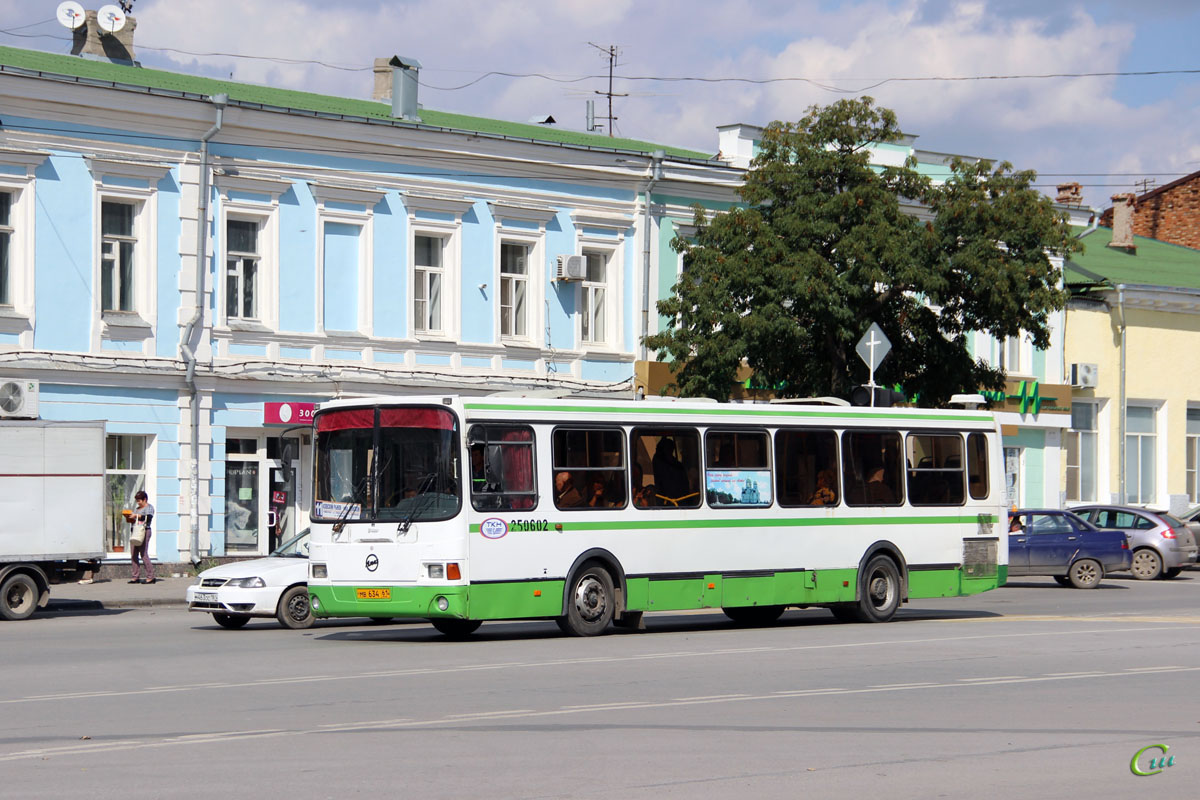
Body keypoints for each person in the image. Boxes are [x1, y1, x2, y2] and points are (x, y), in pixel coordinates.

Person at [128, 490, 156, 584]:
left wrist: (136, 516)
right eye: (137, 501)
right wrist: (130, 518)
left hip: (144, 531)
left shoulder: (149, 508)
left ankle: (150, 576)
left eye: (140, 500)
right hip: (135, 532)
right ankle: (135, 576)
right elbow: (136, 519)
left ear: (145, 499)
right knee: (133, 554)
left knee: (143, 554)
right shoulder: (137, 509)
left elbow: (147, 518)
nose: (138, 502)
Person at [652, 438, 691, 505]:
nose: (669, 452)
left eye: (670, 449)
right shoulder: (658, 462)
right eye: (666, 449)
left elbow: (685, 487)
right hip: (664, 500)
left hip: (680, 501)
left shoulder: (678, 466)